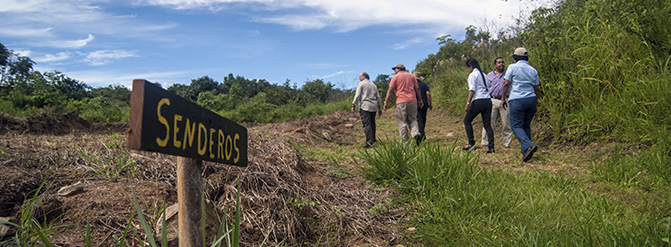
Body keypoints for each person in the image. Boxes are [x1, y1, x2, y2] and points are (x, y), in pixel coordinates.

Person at [501, 47, 541, 162]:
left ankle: (528, 145)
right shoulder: (533, 70)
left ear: (515, 58)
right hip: (531, 99)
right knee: (526, 125)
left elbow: (506, 83)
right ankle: (526, 152)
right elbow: (536, 88)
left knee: (516, 126)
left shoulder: (512, 67)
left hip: (517, 99)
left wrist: (503, 98)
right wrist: (535, 101)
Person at [384, 63, 424, 143]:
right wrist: (420, 100)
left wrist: (386, 102)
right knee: (413, 119)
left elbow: (391, 90)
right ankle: (415, 133)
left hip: (401, 101)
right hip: (412, 101)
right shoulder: (412, 76)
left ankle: (404, 142)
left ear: (398, 69)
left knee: (402, 122)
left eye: (395, 69)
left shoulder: (395, 77)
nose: (394, 71)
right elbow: (417, 88)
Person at [463, 58, 495, 153]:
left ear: (471, 67)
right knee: (487, 124)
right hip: (487, 100)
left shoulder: (473, 75)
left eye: (468, 68)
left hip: (478, 100)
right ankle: (491, 146)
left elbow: (472, 90)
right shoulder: (484, 74)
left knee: (467, 120)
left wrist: (468, 103)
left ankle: (471, 142)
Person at [480, 57, 513, 148]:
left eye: (502, 62)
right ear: (495, 65)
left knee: (506, 122)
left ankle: (507, 143)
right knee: (489, 121)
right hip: (493, 100)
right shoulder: (489, 75)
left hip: (505, 100)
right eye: (499, 62)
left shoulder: (508, 74)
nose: (501, 64)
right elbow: (485, 87)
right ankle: (485, 141)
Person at [351, 72, 382, 148]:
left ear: (364, 76)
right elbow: (378, 96)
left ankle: (369, 142)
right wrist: (379, 107)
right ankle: (373, 138)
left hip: (365, 106)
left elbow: (357, 95)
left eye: (360, 76)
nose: (359, 78)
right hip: (373, 106)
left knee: (366, 124)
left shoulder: (361, 84)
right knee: (372, 123)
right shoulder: (373, 85)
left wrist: (353, 104)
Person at [414, 71, 432, 143]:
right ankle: (422, 134)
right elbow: (428, 94)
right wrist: (430, 103)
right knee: (423, 119)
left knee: (419, 120)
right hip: (424, 103)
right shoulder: (424, 84)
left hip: (416, 104)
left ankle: (421, 136)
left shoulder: (412, 85)